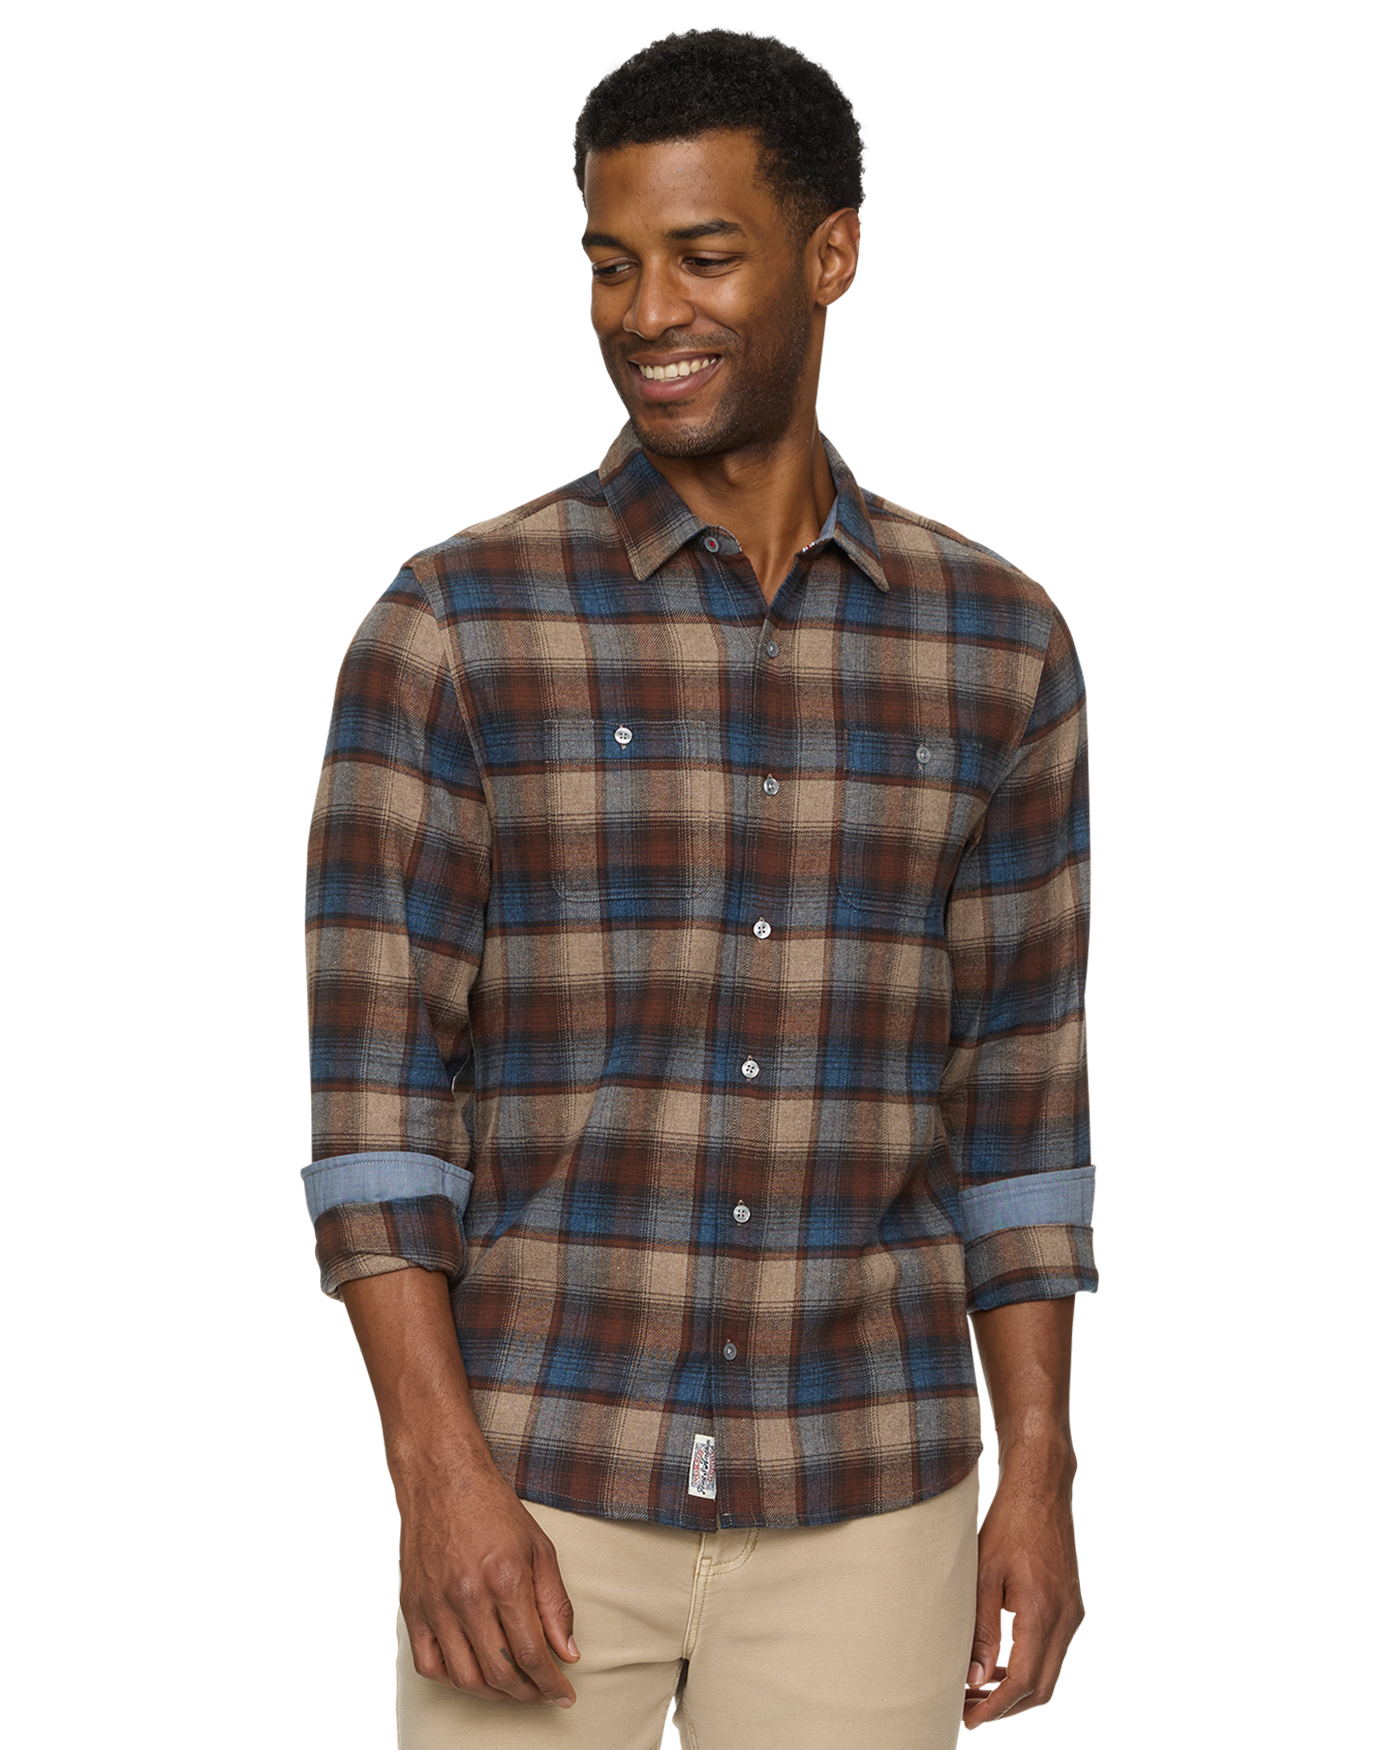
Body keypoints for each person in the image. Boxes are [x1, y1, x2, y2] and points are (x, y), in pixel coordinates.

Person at [304, 28, 1097, 1750]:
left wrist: (1038, 1474)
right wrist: (434, 1472)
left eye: (704, 254)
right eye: (612, 263)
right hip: (539, 1477)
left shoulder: (999, 647)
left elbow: (1026, 1105)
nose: (647, 310)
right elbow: (371, 1104)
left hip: (873, 1486)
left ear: (832, 255)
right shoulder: (455, 629)